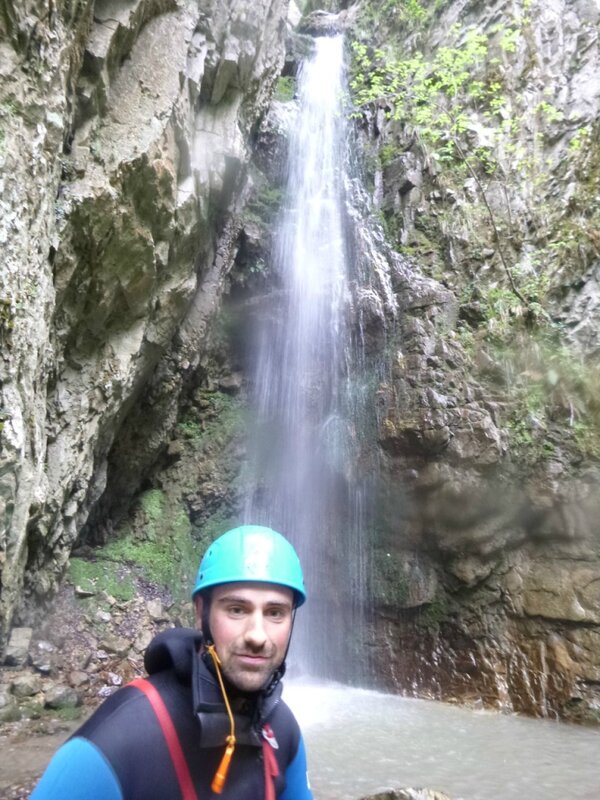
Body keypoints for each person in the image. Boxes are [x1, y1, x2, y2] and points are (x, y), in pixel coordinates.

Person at [31, 525, 314, 799]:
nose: (257, 635)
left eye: (275, 613)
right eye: (237, 609)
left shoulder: (283, 729)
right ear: (201, 612)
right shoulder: (116, 741)